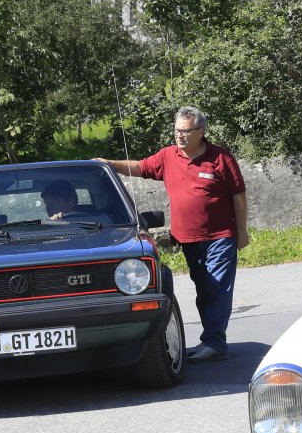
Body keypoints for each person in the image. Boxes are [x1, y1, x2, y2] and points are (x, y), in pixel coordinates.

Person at [99, 106, 249, 362]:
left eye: (185, 131)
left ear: (200, 131)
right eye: (177, 130)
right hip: (188, 238)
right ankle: (212, 341)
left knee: (217, 288)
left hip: (220, 237)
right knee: (204, 290)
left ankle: (214, 343)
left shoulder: (221, 157)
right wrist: (109, 164)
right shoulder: (168, 156)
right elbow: (140, 167)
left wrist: (241, 231)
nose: (179, 135)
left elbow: (239, 195)